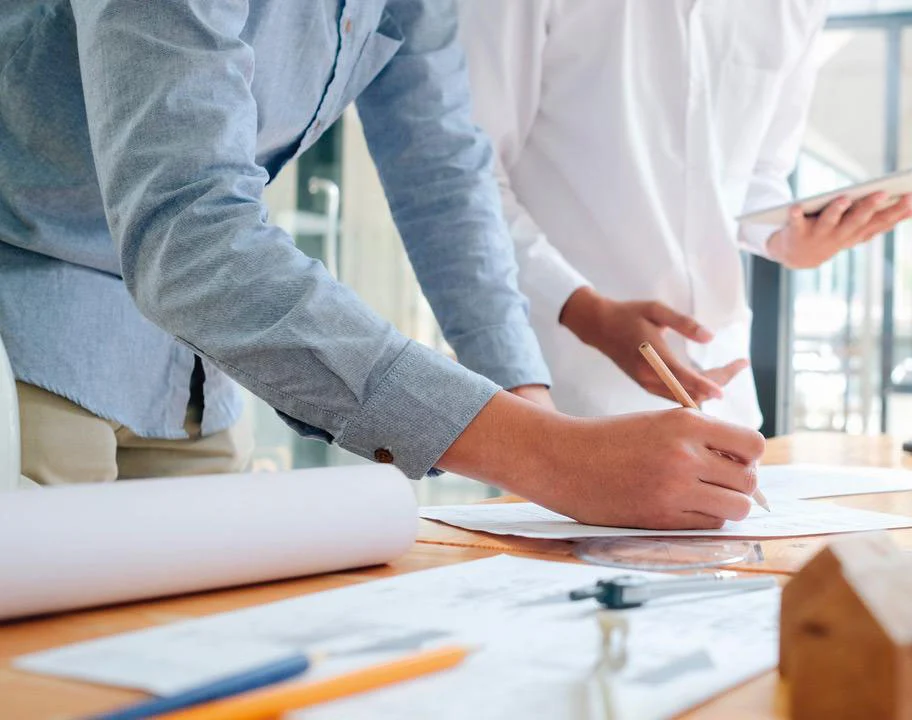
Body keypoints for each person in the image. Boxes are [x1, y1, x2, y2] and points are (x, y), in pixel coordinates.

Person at [0, 0, 763, 530]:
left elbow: (443, 172)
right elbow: (188, 228)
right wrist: (549, 457)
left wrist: (536, 414)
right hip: (32, 328)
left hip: (191, 369)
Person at [460, 0, 912, 427]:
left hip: (725, 399)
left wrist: (787, 238)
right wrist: (584, 311)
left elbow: (757, 173)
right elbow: (468, 179)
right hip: (565, 394)